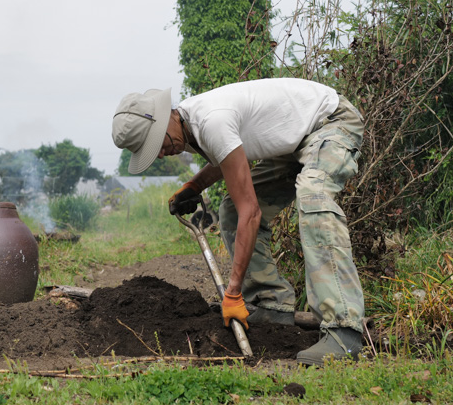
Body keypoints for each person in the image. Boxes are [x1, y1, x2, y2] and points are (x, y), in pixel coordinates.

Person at [111, 78, 365, 366]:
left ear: (166, 116)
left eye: (156, 142)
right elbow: (227, 160)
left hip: (330, 122)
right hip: (294, 143)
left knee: (313, 196)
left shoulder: (210, 120)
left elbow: (252, 213)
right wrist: (194, 186)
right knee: (231, 210)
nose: (159, 153)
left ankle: (344, 330)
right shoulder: (190, 127)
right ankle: (270, 303)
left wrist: (232, 292)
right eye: (150, 150)